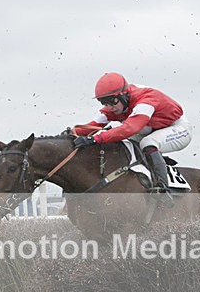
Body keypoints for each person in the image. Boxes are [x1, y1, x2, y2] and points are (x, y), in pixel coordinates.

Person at [71, 72, 192, 207]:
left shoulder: (145, 102)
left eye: (112, 101)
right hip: (151, 127)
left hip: (177, 128)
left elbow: (129, 129)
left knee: (148, 143)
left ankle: (162, 188)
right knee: (122, 142)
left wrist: (96, 138)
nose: (110, 106)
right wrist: (70, 133)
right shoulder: (119, 102)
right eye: (104, 102)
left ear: (123, 95)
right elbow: (94, 125)